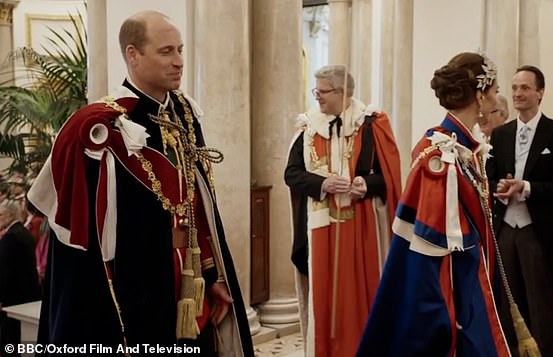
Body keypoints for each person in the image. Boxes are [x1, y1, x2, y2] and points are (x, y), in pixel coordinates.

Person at [27, 11, 253, 355]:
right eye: (166, 52)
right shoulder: (97, 127)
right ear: (133, 54)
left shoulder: (183, 113)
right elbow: (80, 247)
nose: (179, 62)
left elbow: (198, 206)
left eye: (180, 50)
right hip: (134, 291)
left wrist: (212, 277)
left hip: (186, 280)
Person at [357, 52, 510, 356]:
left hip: (472, 278)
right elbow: (432, 249)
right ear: (479, 96)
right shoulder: (441, 156)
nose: (496, 99)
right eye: (494, 91)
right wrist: (447, 316)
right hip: (456, 289)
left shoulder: (463, 147)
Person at [285, 64, 401, 357]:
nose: (318, 98)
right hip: (321, 226)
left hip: (362, 227)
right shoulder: (308, 127)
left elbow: (388, 176)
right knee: (326, 298)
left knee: (360, 294)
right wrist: (323, 183)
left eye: (322, 92)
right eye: (316, 91)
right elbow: (292, 173)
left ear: (343, 92)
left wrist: (366, 183)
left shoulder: (371, 123)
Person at [486, 65, 553, 357]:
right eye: (514, 88)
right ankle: (510, 351)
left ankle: (542, 352)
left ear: (540, 92)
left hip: (536, 228)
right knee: (507, 298)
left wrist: (523, 186)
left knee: (539, 302)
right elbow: (492, 178)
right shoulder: (500, 134)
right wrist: (499, 189)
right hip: (506, 228)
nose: (518, 94)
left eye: (524, 88)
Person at [0, 200, 40, 356]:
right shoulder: (23, 233)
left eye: (1, 214)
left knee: (12, 341)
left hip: (13, 298)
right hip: (28, 295)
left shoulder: (10, 237)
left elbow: (5, 272)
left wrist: (1, 298)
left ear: (10, 215)